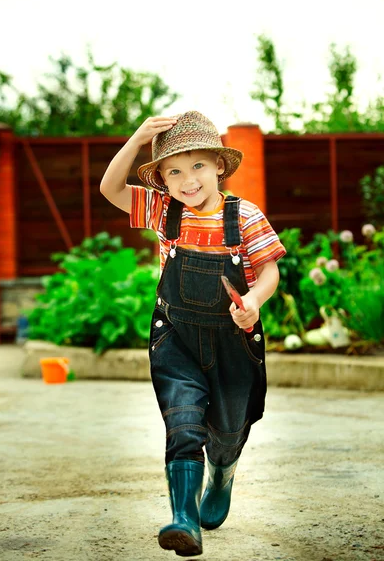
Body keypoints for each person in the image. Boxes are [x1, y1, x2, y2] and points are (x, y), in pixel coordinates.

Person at [100, 110, 286, 557]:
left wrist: (255, 302)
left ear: (219, 165)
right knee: (183, 424)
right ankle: (184, 519)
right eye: (174, 171)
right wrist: (137, 137)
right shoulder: (163, 211)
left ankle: (222, 471)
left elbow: (268, 272)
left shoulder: (244, 216)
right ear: (162, 179)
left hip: (233, 341)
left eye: (198, 165)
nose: (188, 180)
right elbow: (110, 189)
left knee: (226, 430)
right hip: (177, 339)